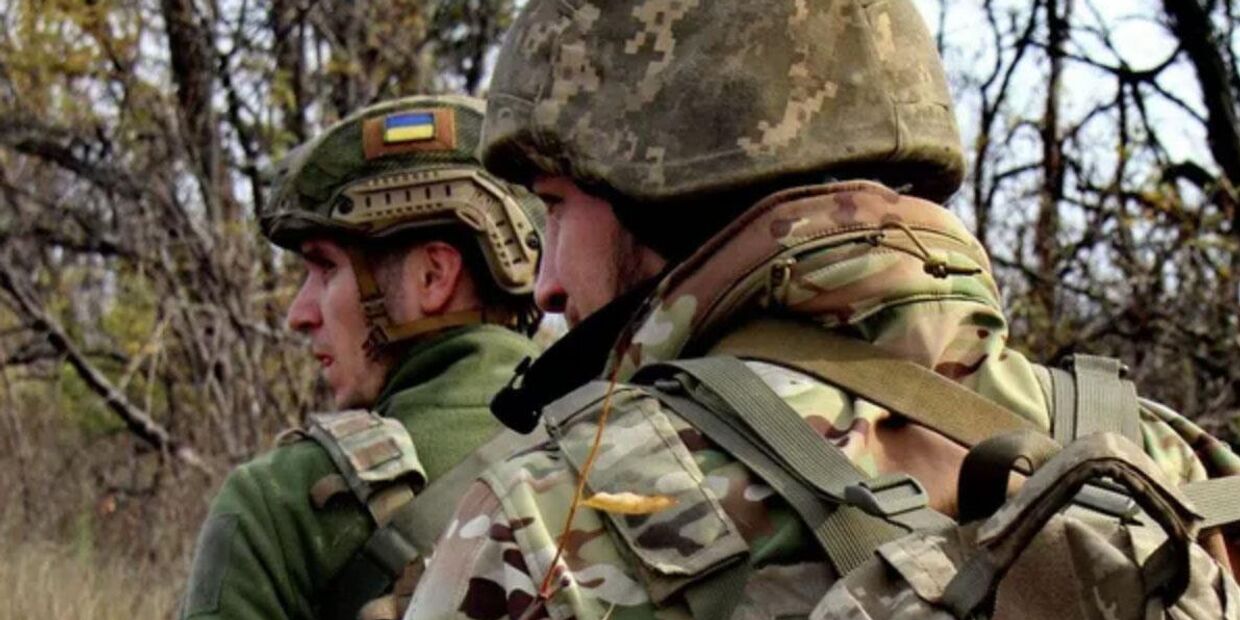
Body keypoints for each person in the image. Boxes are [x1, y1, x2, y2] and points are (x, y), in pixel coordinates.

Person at [402, 2, 1240, 619]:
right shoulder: (1172, 463)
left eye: (555, 207)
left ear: (658, 186)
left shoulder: (554, 518)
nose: (546, 283)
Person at [179, 95, 546, 620]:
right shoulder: (628, 448)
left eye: (326, 268)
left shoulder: (281, 503)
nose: (299, 314)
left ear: (433, 277)